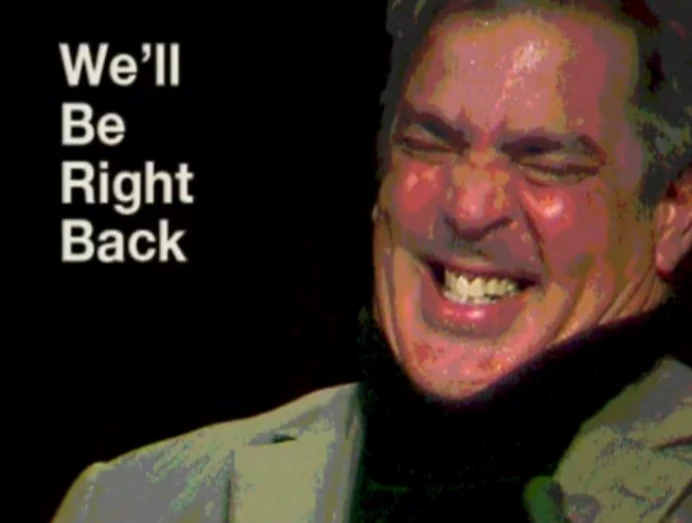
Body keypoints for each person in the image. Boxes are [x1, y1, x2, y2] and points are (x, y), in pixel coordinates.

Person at [53, 0, 691, 521]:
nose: (469, 207)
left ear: (673, 214)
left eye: (545, 162)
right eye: (429, 144)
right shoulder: (132, 504)